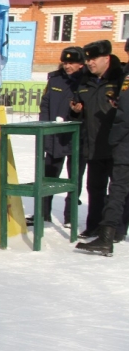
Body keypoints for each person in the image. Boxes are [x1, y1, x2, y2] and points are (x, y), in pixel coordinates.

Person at [69, 40, 125, 237]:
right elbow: (78, 109)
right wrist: (75, 111)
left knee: (118, 189)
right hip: (93, 144)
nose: (90, 63)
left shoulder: (120, 79)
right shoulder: (85, 81)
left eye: (93, 59)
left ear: (106, 59)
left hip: (116, 145)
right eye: (87, 59)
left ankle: (116, 229)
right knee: (94, 188)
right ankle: (93, 225)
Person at [76, 72, 129, 255]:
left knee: (118, 189)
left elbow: (125, 114)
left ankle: (106, 237)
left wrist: (114, 138)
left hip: (125, 143)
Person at [33, 46, 86, 227]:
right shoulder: (55, 78)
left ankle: (70, 216)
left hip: (76, 137)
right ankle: (42, 213)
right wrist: (44, 129)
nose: (67, 66)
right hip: (55, 136)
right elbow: (45, 105)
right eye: (65, 62)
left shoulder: (87, 81)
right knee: (48, 176)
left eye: (71, 63)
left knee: (75, 177)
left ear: (81, 64)